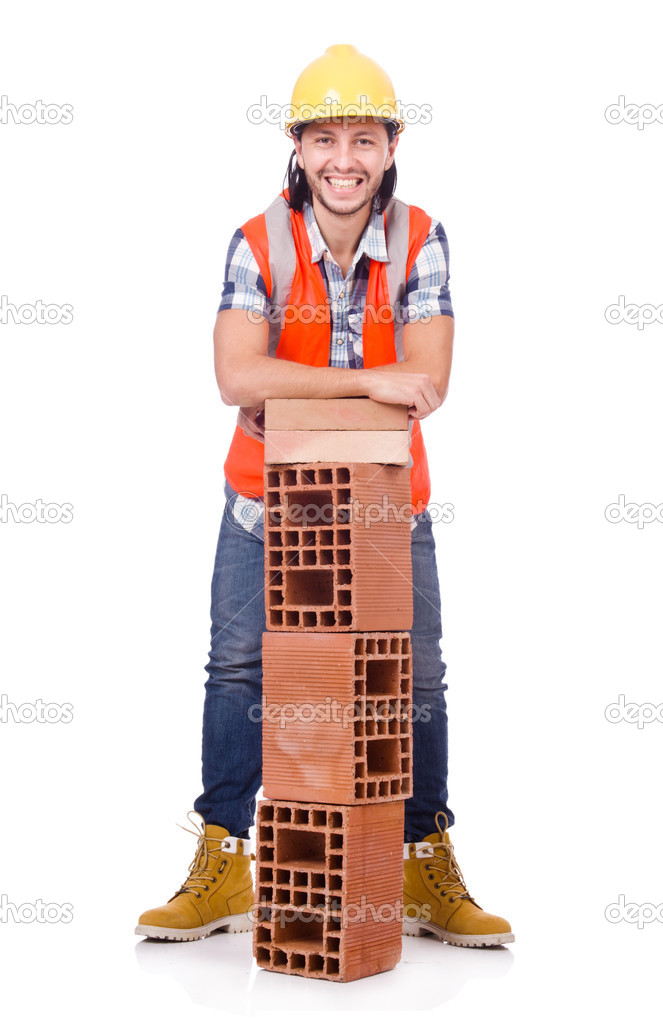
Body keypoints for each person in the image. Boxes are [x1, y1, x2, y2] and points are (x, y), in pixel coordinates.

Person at [136, 44, 514, 949]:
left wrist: (298, 390)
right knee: (239, 670)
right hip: (264, 505)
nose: (344, 159)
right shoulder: (257, 239)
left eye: (364, 138)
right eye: (325, 138)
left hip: (388, 507)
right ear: (297, 147)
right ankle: (226, 855)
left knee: (411, 678)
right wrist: (371, 383)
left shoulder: (421, 236)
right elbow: (235, 377)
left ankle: (425, 860)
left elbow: (431, 384)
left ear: (392, 145)